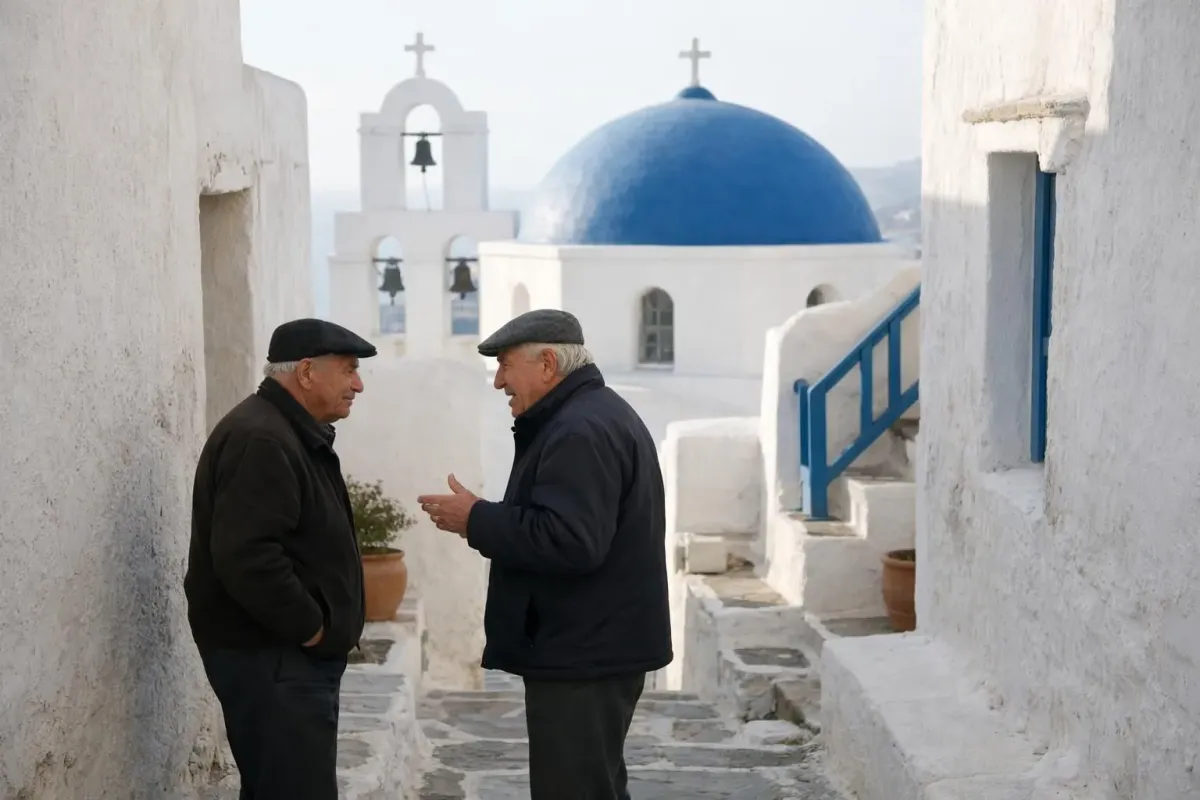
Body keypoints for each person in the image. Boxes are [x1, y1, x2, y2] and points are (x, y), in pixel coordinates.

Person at [417, 309, 673, 800]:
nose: (498, 382)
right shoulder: (589, 415)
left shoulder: (579, 430)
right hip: (592, 648)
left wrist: (476, 520)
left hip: (586, 654)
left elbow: (571, 540)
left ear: (548, 363)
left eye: (505, 365)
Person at [184, 318, 377, 800]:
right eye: (349, 370)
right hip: (275, 660)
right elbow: (247, 557)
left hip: (286, 660)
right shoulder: (263, 438)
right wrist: (312, 628)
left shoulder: (284, 430)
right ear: (307, 372)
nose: (358, 384)